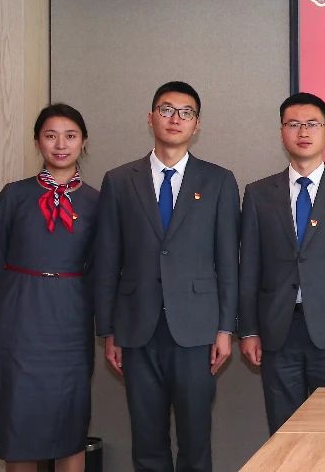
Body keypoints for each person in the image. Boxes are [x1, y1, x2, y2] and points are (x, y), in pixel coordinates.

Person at [93, 81, 240, 472]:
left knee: (195, 441)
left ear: (197, 124)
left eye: (186, 112)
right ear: (150, 117)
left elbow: (228, 261)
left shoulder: (219, 181)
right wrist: (108, 330)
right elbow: (107, 261)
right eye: (166, 110)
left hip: (197, 330)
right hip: (136, 328)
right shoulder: (119, 180)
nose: (175, 119)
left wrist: (225, 328)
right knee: (147, 443)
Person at [238, 92, 325, 434]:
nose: (303, 132)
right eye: (293, 124)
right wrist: (249, 329)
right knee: (284, 431)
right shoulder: (258, 193)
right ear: (282, 132)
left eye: (312, 124)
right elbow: (249, 267)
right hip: (277, 331)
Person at [0, 104, 98, 472]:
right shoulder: (14, 195)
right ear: (37, 141)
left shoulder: (97, 201)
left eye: (70, 136)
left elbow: (101, 268)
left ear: (83, 142)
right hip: (19, 323)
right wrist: (15, 302)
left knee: (70, 424)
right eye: (51, 136)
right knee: (19, 423)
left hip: (70, 323)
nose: (60, 144)